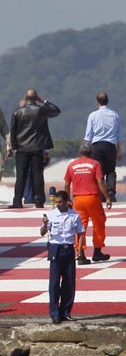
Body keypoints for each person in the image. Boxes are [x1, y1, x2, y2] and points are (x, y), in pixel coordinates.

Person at [10, 89, 61, 209]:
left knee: (21, 176)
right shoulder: (41, 110)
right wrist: (43, 101)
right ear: (36, 98)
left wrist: (14, 145)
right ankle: (39, 200)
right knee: (38, 175)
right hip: (37, 147)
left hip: (22, 147)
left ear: (25, 98)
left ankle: (17, 201)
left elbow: (13, 130)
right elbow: (56, 110)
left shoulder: (17, 111)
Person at [39, 190, 84, 323]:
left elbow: (80, 232)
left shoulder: (74, 215)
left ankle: (65, 312)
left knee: (69, 282)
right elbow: (42, 233)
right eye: (56, 202)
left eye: (60, 202)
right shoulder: (51, 215)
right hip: (55, 248)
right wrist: (45, 224)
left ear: (66, 202)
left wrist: (79, 250)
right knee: (54, 282)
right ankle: (54, 313)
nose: (58, 204)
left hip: (68, 248)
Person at [64, 145, 112, 265]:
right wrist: (107, 197)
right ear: (91, 153)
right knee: (99, 224)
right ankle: (97, 251)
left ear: (80, 153)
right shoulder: (95, 164)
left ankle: (80, 254)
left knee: (79, 227)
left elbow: (66, 184)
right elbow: (100, 181)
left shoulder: (72, 165)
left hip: (78, 200)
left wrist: (68, 199)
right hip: (92, 198)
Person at [83, 92, 123, 202]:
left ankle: (101, 194)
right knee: (110, 170)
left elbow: (88, 135)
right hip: (110, 145)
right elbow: (119, 135)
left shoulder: (93, 115)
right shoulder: (114, 115)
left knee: (98, 172)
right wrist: (119, 150)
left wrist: (85, 151)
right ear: (108, 101)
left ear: (97, 102)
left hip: (97, 146)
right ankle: (110, 191)